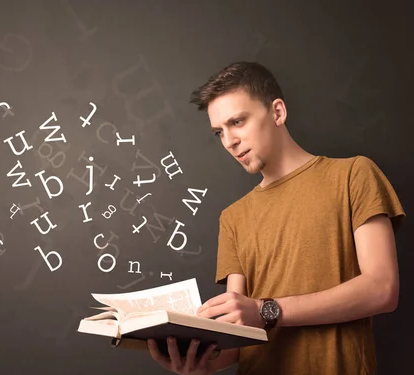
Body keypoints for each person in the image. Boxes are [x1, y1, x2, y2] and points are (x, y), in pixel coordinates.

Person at [147, 61, 406, 374]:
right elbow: (238, 337)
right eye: (219, 132)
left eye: (237, 122)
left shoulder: (353, 175)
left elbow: (382, 288)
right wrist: (199, 364)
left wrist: (268, 310)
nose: (229, 141)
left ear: (278, 112)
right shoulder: (233, 218)